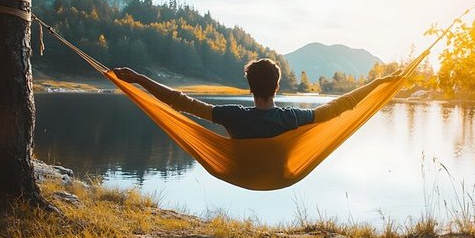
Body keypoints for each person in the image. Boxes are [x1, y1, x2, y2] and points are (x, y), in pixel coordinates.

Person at [112, 58, 395, 139]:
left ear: (249, 88)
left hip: (240, 170)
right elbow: (340, 106)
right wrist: (377, 83)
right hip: (280, 175)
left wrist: (138, 78)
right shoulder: (292, 118)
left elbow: (180, 101)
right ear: (277, 86)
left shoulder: (233, 115)